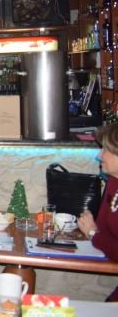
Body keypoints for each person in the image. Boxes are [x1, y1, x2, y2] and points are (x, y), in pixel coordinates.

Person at [77, 123, 118, 301]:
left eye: (105, 150)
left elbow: (98, 232)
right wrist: (93, 230)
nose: (99, 155)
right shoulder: (114, 181)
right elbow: (102, 227)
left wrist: (93, 233)